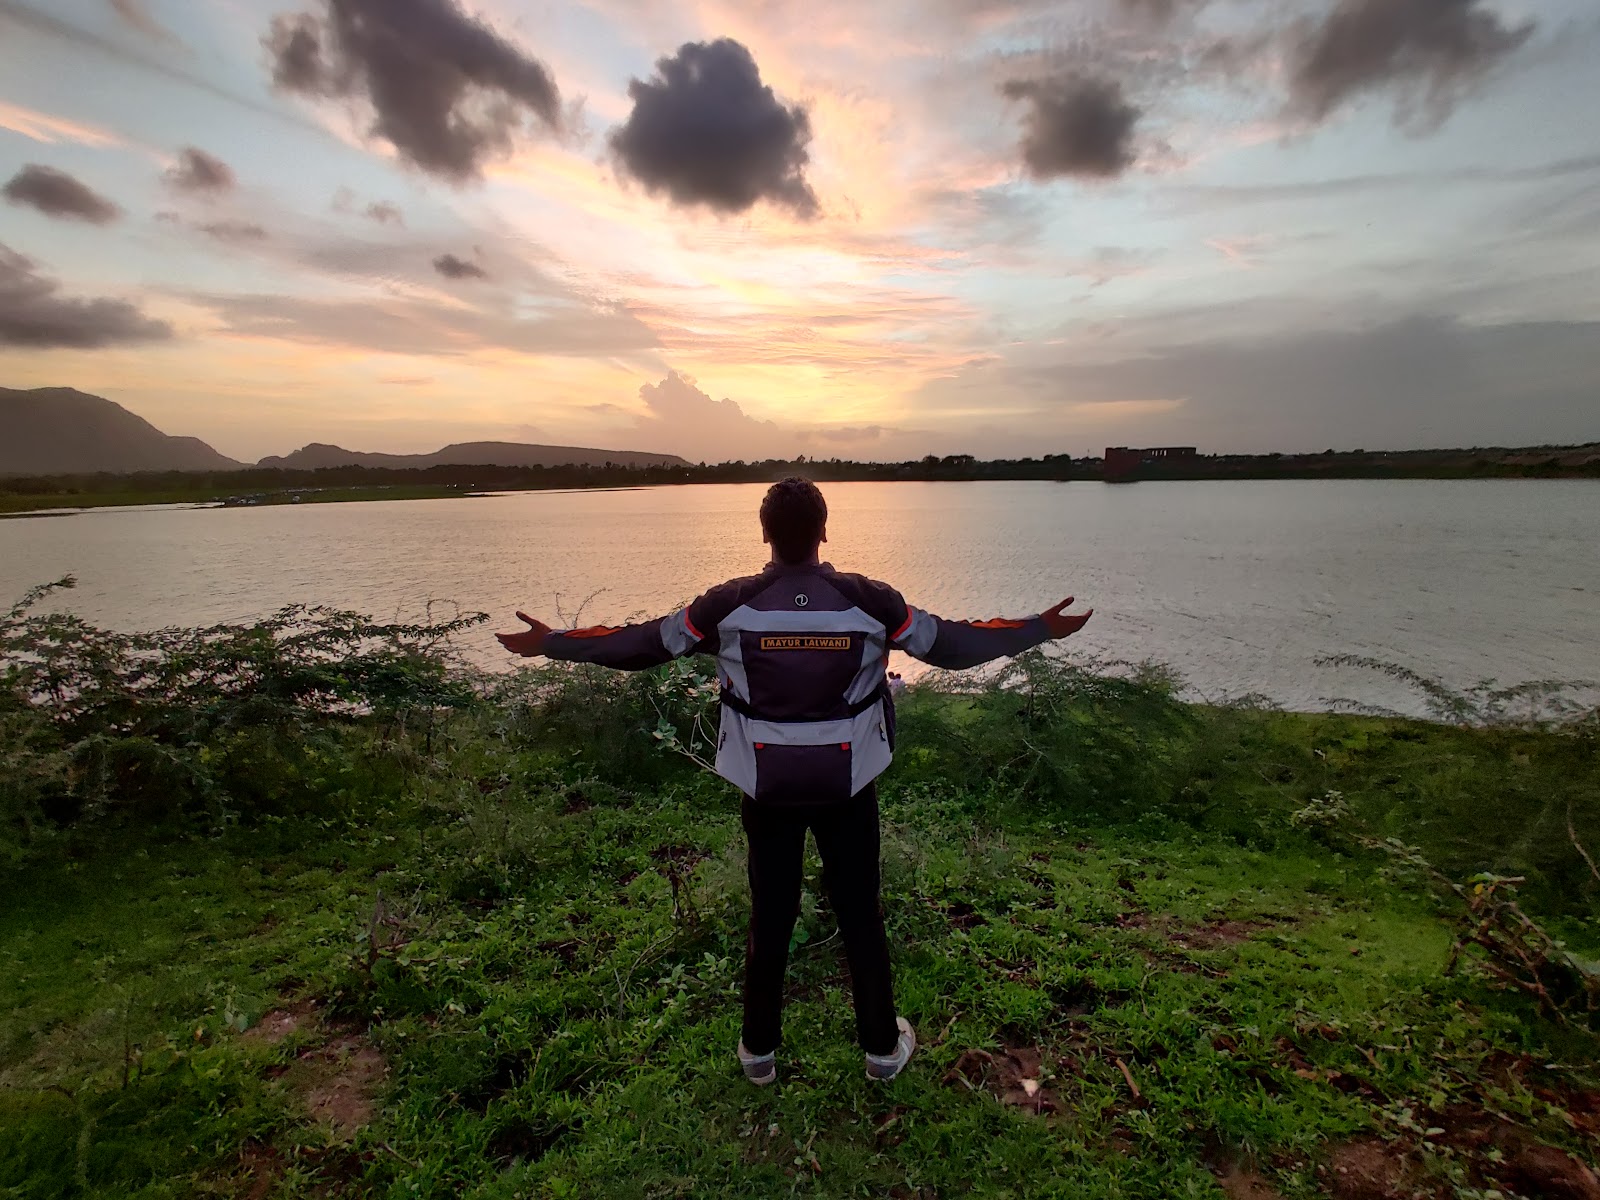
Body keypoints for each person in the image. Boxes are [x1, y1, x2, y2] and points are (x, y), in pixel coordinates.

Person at [496, 478, 1093, 1085]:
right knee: (860, 911)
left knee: (771, 912)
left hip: (765, 787)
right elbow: (954, 644)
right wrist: (1036, 628)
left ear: (765, 534)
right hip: (849, 785)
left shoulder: (726, 605)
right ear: (824, 531)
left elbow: (642, 644)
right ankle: (883, 1052)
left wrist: (552, 643)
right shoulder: (871, 601)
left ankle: (758, 1055)